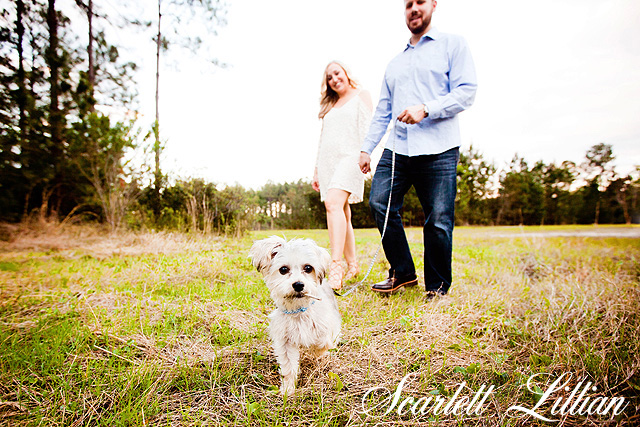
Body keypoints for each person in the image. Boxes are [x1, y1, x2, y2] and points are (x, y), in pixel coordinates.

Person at [358, 0, 477, 297]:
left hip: (440, 147)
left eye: (420, 2)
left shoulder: (453, 45)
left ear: (434, 5)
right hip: (397, 148)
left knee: (438, 220)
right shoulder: (395, 63)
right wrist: (366, 149)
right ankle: (403, 272)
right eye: (408, 4)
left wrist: (427, 108)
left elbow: (466, 91)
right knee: (380, 203)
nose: (414, 8)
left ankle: (436, 289)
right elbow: (383, 112)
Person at [313, 61, 373, 290]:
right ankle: (353, 265)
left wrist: (366, 153)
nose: (334, 79)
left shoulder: (361, 95)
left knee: (333, 204)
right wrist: (317, 169)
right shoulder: (329, 105)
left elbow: (367, 128)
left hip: (351, 157)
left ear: (345, 72)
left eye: (336, 73)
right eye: (329, 77)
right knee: (343, 213)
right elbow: (323, 139)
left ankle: (335, 267)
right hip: (328, 161)